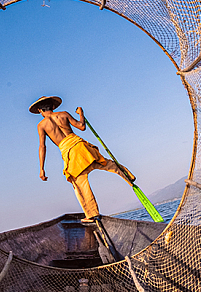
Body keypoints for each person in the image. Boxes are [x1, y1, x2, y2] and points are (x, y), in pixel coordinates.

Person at [31, 95, 135, 223]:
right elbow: (81, 126)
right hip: (81, 145)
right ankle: (128, 176)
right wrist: (81, 114)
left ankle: (91, 214)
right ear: (52, 106)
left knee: (80, 183)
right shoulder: (63, 114)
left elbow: (42, 146)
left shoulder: (41, 125)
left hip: (70, 153)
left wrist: (41, 169)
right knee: (106, 164)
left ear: (40, 111)